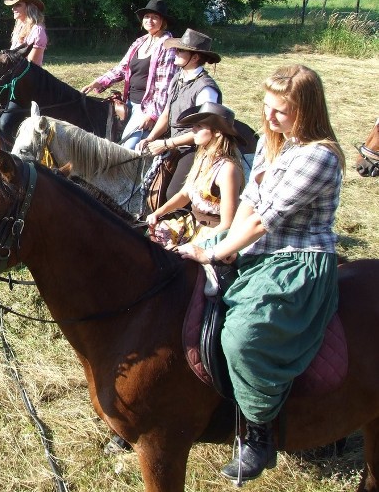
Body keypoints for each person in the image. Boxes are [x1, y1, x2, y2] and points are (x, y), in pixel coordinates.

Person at [177, 64, 344, 483]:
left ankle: (259, 434)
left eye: (280, 111)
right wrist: (218, 244)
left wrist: (215, 252)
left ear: (306, 110)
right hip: (254, 246)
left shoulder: (319, 156)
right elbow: (248, 205)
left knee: (243, 336)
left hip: (296, 262)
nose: (268, 118)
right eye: (267, 107)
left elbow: (262, 221)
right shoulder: (277, 146)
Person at [136, 28, 222, 200]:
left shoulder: (206, 89)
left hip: (196, 147)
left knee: (172, 193)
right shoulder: (178, 78)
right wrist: (150, 138)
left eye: (180, 50)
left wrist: (167, 143)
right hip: (173, 140)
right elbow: (167, 113)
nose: (175, 52)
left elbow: (205, 131)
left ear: (195, 57)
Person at [147, 102, 244, 248]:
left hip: (213, 232)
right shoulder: (202, 157)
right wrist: (158, 213)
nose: (193, 130)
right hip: (192, 224)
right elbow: (185, 194)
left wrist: (192, 245)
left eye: (199, 126)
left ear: (217, 132)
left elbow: (227, 224)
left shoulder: (227, 169)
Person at [82, 0, 176, 150]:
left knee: (127, 147)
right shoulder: (140, 42)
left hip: (146, 107)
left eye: (154, 17)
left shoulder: (167, 45)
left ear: (163, 21)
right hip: (129, 101)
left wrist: (152, 115)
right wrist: (99, 82)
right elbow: (122, 68)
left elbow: (164, 85)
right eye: (146, 16)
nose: (149, 21)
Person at [0, 0, 48, 141]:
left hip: (27, 86)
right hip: (14, 81)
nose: (13, 8)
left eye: (17, 5)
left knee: (5, 123)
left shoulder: (37, 31)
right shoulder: (19, 27)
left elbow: (30, 67)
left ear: (29, 7)